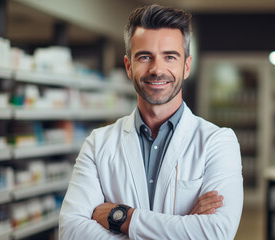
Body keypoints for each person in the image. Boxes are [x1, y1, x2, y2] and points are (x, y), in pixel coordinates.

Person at [59, 4, 243, 239]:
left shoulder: (217, 142)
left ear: (186, 66)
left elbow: (216, 232)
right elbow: (71, 231)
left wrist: (121, 217)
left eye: (170, 57)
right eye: (145, 57)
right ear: (128, 66)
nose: (157, 69)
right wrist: (184, 225)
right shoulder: (98, 143)